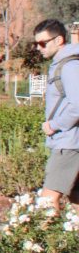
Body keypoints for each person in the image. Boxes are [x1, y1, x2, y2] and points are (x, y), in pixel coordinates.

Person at [33, 19, 79, 210]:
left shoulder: (69, 66)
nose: (38, 48)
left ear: (59, 40)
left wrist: (54, 124)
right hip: (71, 141)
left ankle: (43, 240)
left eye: (42, 43)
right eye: (35, 44)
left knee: (48, 199)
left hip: (68, 143)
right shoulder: (63, 64)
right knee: (75, 197)